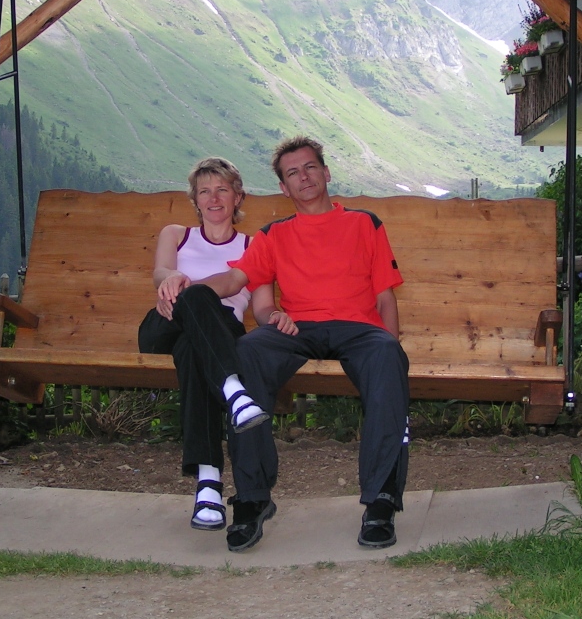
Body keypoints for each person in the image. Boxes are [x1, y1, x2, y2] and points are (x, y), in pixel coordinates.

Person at [160, 137, 410, 552]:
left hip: (358, 328)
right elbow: (235, 280)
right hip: (298, 328)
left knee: (387, 355)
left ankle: (381, 502)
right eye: (293, 172)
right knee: (247, 352)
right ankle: (253, 499)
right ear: (283, 186)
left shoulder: (365, 223)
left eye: (310, 167)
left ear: (326, 173)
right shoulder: (274, 234)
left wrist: (392, 345)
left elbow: (385, 297)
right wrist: (190, 290)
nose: (304, 177)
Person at [138, 157, 269, 532]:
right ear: (195, 199)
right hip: (165, 323)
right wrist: (173, 278)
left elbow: (262, 308)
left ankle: (208, 483)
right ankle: (234, 392)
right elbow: (160, 271)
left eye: (222, 189)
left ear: (237, 196)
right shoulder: (176, 234)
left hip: (220, 334)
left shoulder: (253, 245)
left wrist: (277, 318)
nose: (213, 198)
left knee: (194, 348)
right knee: (192, 303)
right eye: (205, 191)